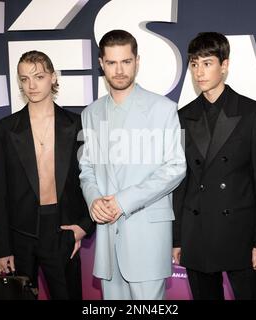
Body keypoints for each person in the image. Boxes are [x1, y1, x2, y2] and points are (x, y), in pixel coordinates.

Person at [78, 29, 186, 300]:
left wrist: (122, 201)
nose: (119, 70)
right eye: (112, 63)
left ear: (137, 61)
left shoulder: (163, 109)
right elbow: (87, 168)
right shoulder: (90, 113)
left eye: (126, 61)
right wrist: (93, 201)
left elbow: (175, 167)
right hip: (107, 241)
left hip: (147, 237)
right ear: (101, 64)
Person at [172, 32, 256, 300]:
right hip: (197, 233)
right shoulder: (183, 116)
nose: (199, 72)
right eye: (194, 64)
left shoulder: (252, 113)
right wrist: (177, 239)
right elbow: (181, 183)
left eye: (207, 63)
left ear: (225, 65)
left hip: (239, 234)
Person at [0, 50, 94, 299]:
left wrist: (83, 227)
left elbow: (92, 179)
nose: (31, 85)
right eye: (24, 79)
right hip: (19, 234)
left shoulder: (77, 125)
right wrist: (2, 248)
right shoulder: (4, 130)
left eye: (38, 76)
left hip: (62, 230)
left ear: (53, 78)